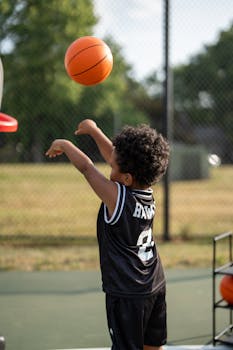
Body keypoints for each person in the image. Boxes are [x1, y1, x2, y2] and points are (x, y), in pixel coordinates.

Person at [46, 119, 170, 350]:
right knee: (152, 346)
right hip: (154, 282)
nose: (109, 168)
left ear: (126, 179)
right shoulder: (146, 188)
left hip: (127, 293)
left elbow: (87, 168)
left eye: (113, 168)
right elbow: (116, 156)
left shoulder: (118, 198)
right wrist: (94, 131)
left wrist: (64, 144)